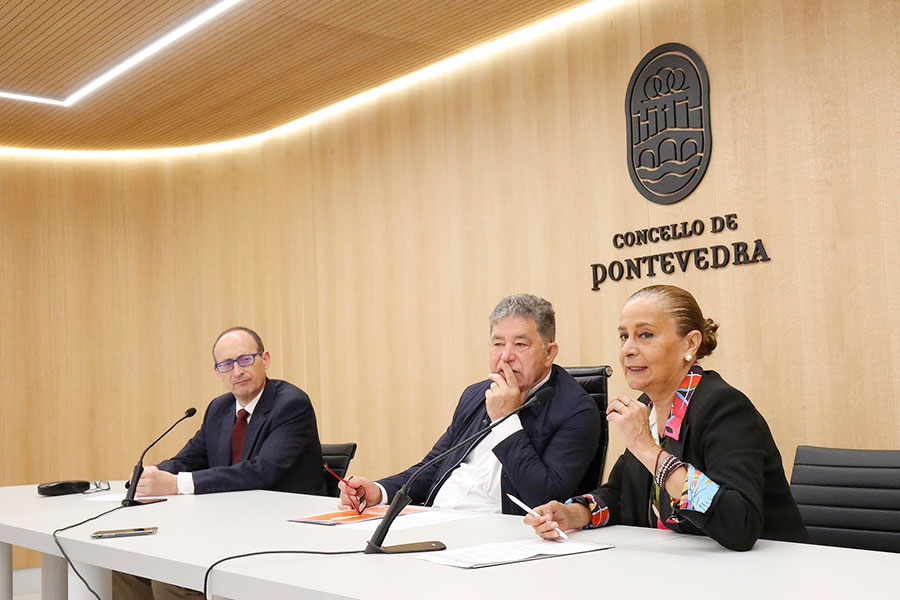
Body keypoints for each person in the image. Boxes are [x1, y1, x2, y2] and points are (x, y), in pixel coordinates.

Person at [526, 285, 806, 551]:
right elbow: (623, 494)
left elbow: (739, 524)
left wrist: (647, 449)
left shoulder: (725, 407)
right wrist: (575, 513)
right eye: (623, 336)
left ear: (690, 343)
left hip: (768, 570)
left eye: (645, 335)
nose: (628, 349)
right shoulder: (647, 406)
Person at [339, 294, 602, 515]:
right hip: (435, 519)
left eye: (520, 344)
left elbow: (545, 497)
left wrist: (505, 421)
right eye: (498, 344)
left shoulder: (577, 410)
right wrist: (380, 491)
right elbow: (434, 466)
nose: (506, 356)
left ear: (549, 353)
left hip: (502, 534)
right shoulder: (476, 395)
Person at [114, 326, 325, 600]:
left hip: (281, 533)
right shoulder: (219, 409)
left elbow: (262, 472)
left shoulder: (290, 404)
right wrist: (147, 478)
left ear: (265, 359)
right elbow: (188, 459)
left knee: (169, 582)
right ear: (217, 372)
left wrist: (177, 484)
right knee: (124, 565)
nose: (237, 371)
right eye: (226, 364)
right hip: (226, 528)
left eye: (245, 359)